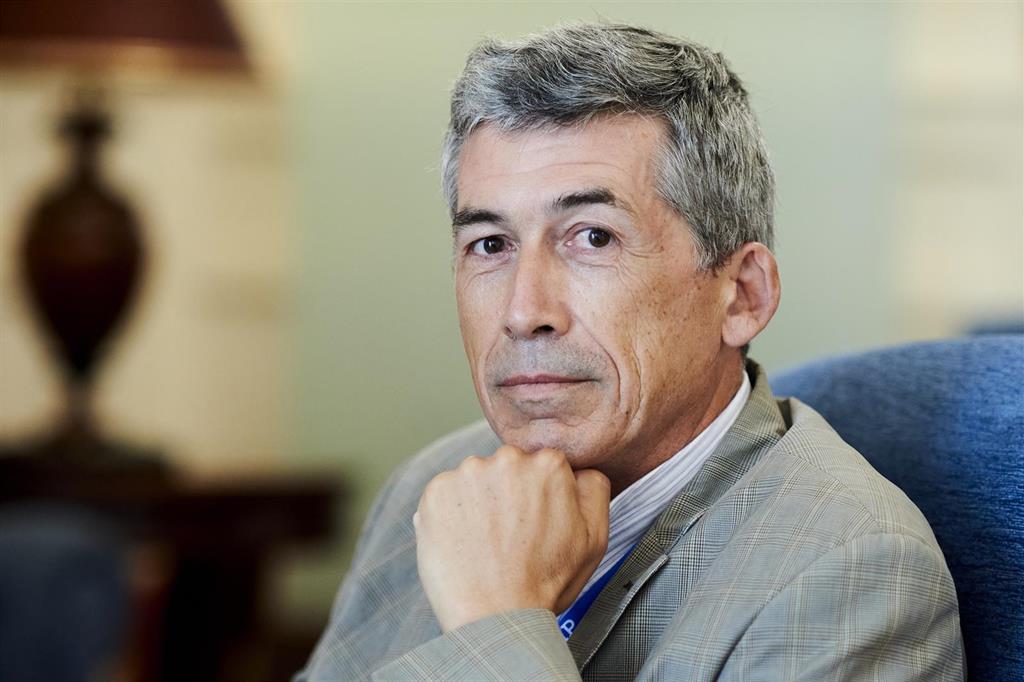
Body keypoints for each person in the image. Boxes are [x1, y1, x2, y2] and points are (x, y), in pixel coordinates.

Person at [296, 23, 964, 681]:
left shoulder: (850, 571)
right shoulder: (436, 486)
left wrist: (494, 622)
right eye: (490, 245)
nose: (523, 313)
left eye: (593, 237)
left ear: (742, 295)